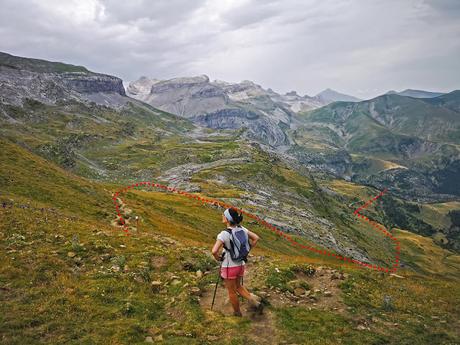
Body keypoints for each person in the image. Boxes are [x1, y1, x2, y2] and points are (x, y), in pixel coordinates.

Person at [211, 207, 262, 317]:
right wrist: (247, 251)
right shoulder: (242, 229)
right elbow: (256, 238)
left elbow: (214, 250)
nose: (222, 216)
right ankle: (254, 302)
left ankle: (237, 313)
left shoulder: (224, 234)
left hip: (229, 266)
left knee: (232, 291)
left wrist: (217, 257)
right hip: (240, 263)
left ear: (228, 219)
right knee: (238, 286)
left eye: (223, 215)